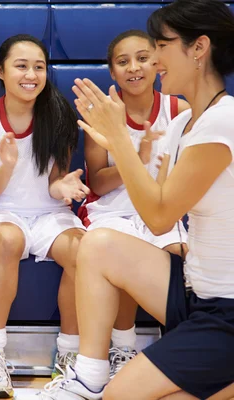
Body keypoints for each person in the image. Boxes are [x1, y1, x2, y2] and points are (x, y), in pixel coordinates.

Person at [35, 0, 234, 398]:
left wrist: (122, 145)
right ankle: (88, 376)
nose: (155, 60)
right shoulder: (183, 123)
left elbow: (160, 218)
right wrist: (122, 148)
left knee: (122, 395)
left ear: (199, 49)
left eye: (161, 46)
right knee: (99, 244)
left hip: (226, 311)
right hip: (194, 291)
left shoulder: (221, 122)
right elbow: (154, 197)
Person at [0, 34, 89, 398]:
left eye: (39, 66)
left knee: (85, 252)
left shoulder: (60, 113)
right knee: (8, 239)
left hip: (48, 213)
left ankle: (69, 356)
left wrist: (62, 187)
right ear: (0, 71)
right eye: (21, 66)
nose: (31, 74)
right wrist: (8, 166)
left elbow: (52, 183)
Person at [78, 29, 189, 378]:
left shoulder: (179, 109)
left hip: (161, 207)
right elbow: (96, 181)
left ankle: (178, 346)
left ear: (157, 63)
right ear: (112, 72)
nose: (134, 67)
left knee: (177, 250)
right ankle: (123, 348)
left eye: (142, 58)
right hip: (112, 209)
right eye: (123, 62)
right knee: (121, 251)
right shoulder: (102, 114)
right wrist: (136, 160)